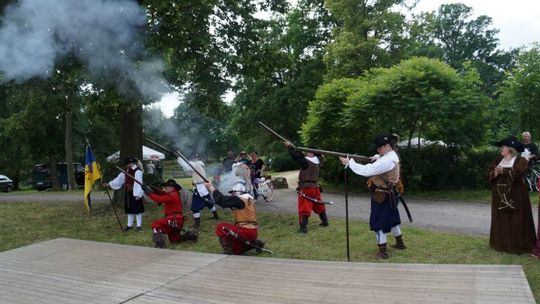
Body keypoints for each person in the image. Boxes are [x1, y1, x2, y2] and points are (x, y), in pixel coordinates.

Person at [339, 134, 405, 259]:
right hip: (389, 194)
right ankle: (400, 243)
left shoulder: (387, 160)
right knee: (392, 220)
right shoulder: (390, 155)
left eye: (380, 148)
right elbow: (380, 158)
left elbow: (367, 171)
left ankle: (382, 251)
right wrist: (376, 157)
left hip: (383, 195)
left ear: (387, 146)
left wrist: (350, 163)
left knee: (379, 223)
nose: (378, 150)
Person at [487, 136, 536, 254]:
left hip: (516, 194)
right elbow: (488, 172)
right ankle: (501, 244)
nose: (501, 149)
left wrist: (502, 171)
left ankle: (517, 245)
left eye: (503, 147)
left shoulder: (521, 160)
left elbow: (518, 174)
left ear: (510, 149)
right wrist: (495, 172)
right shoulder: (498, 159)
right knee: (501, 217)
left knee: (516, 219)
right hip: (499, 194)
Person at [205, 180, 265, 255]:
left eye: (233, 193)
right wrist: (212, 191)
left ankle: (227, 252)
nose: (232, 195)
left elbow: (222, 201)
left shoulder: (239, 199)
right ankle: (255, 243)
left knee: (221, 227)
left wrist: (211, 188)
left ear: (238, 191)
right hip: (253, 233)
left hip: (245, 231)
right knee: (235, 250)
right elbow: (225, 200)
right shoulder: (249, 199)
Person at [284, 142, 329, 233]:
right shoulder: (318, 161)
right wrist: (291, 146)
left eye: (308, 151)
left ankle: (303, 228)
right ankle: (325, 221)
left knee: (304, 207)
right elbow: (300, 155)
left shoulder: (307, 162)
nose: (306, 152)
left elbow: (297, 156)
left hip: (307, 188)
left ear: (312, 153)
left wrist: (289, 147)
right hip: (315, 187)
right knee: (318, 205)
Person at [143, 179, 198, 248]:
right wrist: (153, 189)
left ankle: (160, 244)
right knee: (174, 240)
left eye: (167, 186)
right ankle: (190, 236)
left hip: (173, 220)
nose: (166, 188)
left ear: (172, 187)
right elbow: (162, 193)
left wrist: (149, 193)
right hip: (177, 220)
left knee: (156, 224)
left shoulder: (172, 195)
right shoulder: (175, 193)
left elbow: (158, 199)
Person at [177, 153, 219, 228]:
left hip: (200, 188)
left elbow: (186, 166)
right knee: (209, 203)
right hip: (203, 187)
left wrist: (179, 158)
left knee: (194, 207)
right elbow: (188, 170)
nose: (192, 159)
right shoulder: (199, 164)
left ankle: (197, 224)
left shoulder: (195, 164)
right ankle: (216, 215)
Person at [104, 157, 145, 231]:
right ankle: (129, 225)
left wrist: (138, 194)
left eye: (126, 164)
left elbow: (138, 183)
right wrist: (109, 184)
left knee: (137, 209)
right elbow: (119, 179)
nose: (125, 166)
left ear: (130, 163)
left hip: (135, 191)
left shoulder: (137, 171)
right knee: (129, 208)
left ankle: (139, 226)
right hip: (128, 192)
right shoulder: (126, 171)